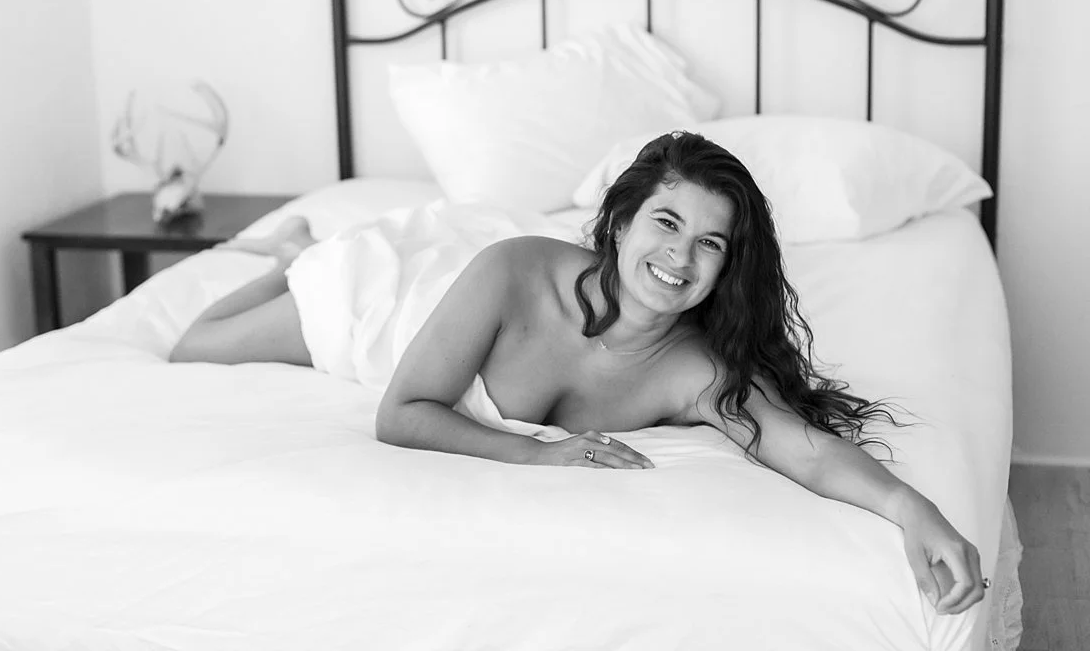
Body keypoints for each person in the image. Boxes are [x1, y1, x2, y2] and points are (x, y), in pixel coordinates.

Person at [170, 131, 987, 616]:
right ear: (622, 224)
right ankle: (292, 253)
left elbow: (801, 448)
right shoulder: (514, 268)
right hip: (398, 310)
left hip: (476, 300)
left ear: (726, 267)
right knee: (195, 347)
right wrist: (540, 455)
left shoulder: (694, 369)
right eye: (666, 222)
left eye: (710, 243)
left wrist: (913, 511)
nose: (680, 257)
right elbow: (402, 412)